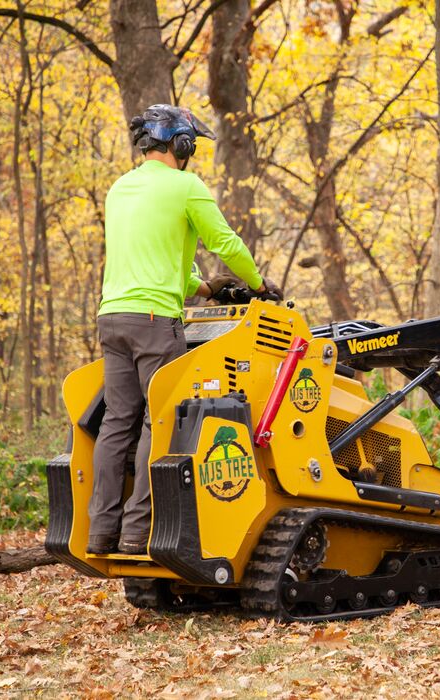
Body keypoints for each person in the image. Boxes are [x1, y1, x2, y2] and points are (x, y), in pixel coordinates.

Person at [86, 104, 282, 555]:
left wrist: (203, 287)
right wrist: (257, 284)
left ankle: (101, 532)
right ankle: (138, 532)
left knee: (118, 423)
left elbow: (149, 258)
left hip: (113, 317)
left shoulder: (120, 188)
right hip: (155, 322)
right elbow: (225, 242)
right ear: (181, 144)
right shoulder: (185, 186)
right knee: (161, 421)